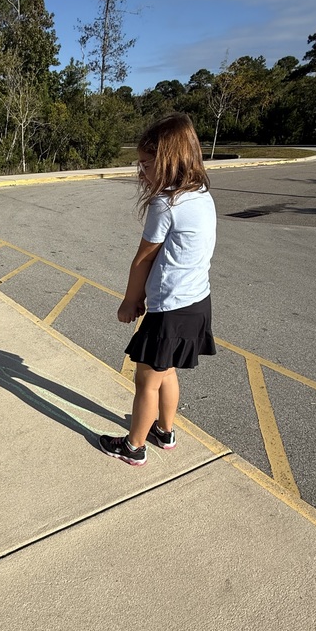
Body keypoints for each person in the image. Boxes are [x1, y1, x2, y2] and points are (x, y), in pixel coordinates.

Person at [99, 113, 216, 466]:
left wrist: (130, 300)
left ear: (168, 162)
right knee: (166, 372)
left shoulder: (166, 203)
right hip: (197, 303)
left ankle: (134, 447)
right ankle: (164, 431)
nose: (141, 172)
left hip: (169, 310)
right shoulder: (200, 194)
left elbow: (143, 259)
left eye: (147, 164)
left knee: (146, 380)